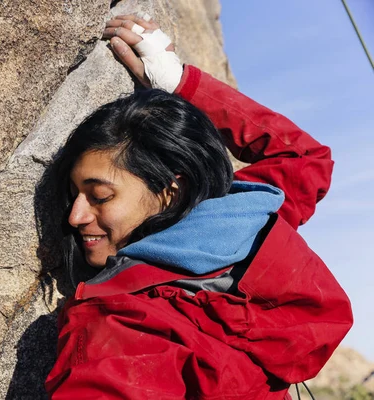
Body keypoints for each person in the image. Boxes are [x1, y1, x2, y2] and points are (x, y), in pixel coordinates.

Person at [44, 13, 353, 400]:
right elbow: (304, 158)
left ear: (172, 191)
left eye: (101, 196)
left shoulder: (124, 328)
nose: (75, 216)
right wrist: (179, 83)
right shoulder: (245, 230)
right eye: (75, 195)